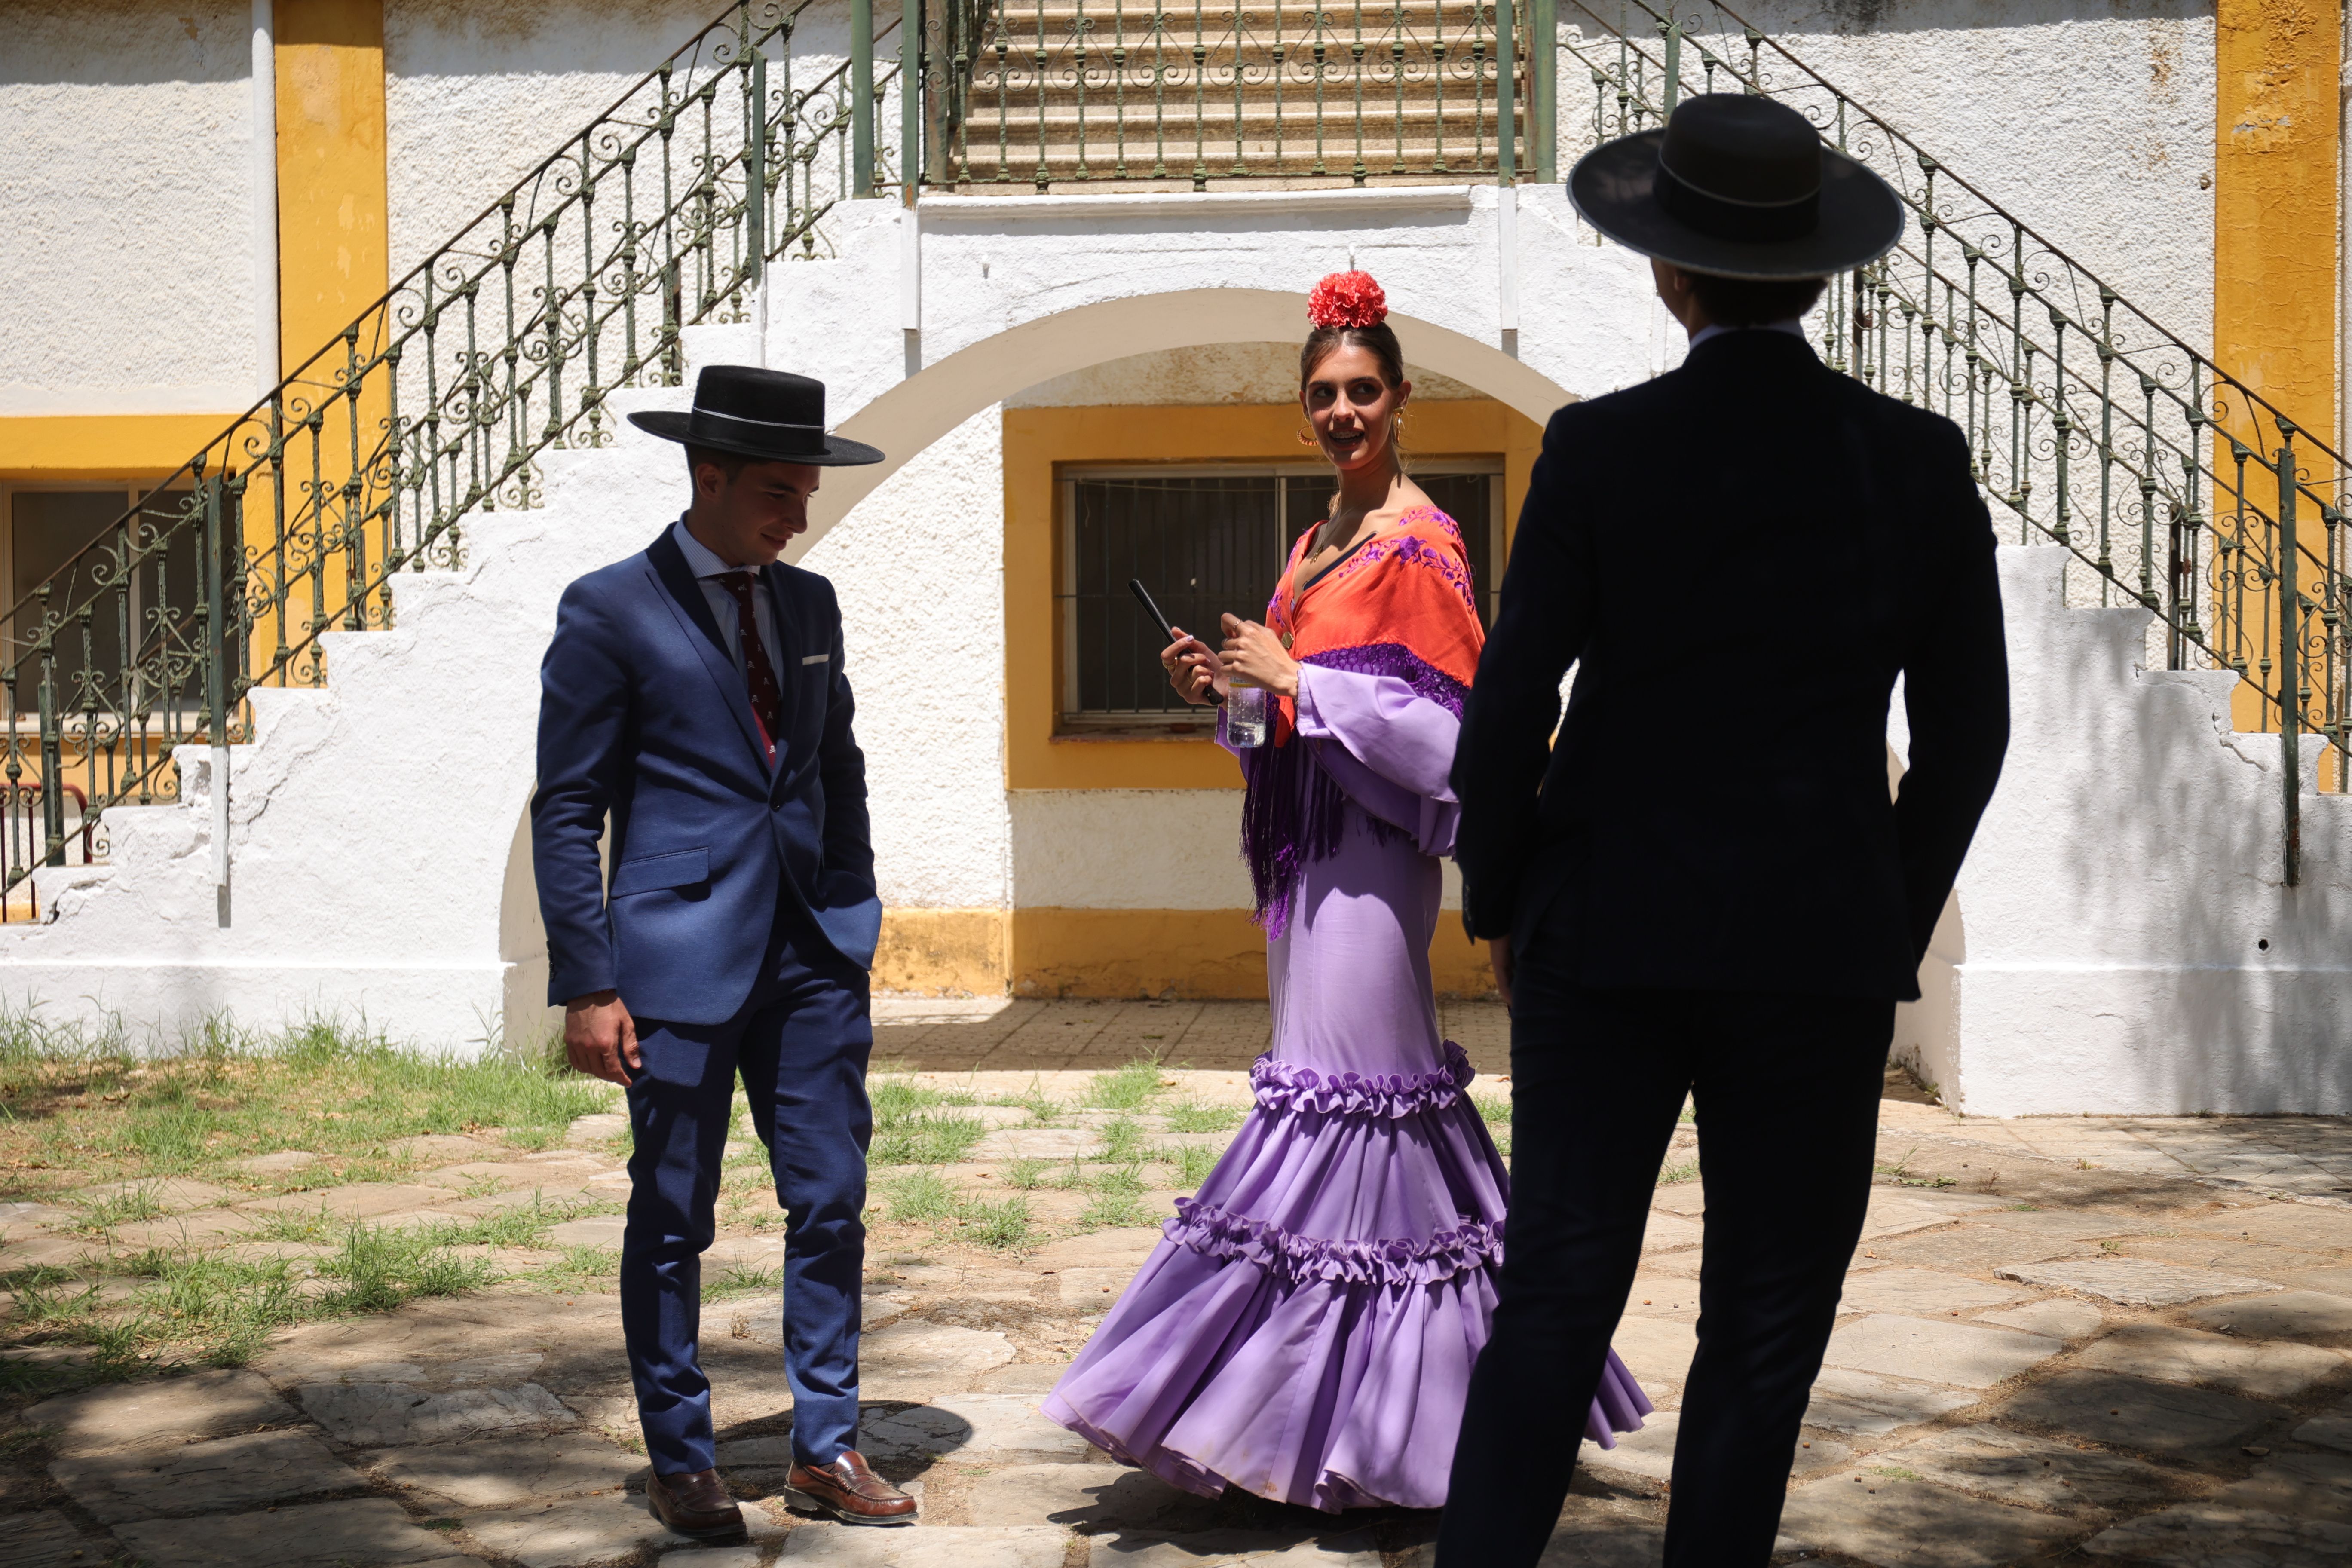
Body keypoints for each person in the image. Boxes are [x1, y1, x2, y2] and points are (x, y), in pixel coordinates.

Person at [1437, 95, 2012, 1566]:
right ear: (1815, 276)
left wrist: (1502, 900)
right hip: (1814, 946)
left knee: (1556, 1299)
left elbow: (1507, 713)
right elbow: (1970, 738)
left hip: (1607, 932)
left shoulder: (1597, 448)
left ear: (1666, 273)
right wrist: (1881, 903)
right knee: (1765, 1331)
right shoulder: (1918, 460)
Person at [1042, 272, 1651, 1511]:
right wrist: (1226, 690)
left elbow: (1457, 737)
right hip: (1302, 867)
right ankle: (1395, 1418)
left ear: (1403, 400)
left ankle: (1373, 1428)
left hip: (1372, 874)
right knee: (1364, 1129)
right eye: (1322, 393)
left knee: (1349, 1117)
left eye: (1362, 391)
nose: (1341, 412)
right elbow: (1287, 729)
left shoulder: (1423, 550)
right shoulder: (1317, 542)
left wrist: (1306, 688)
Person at [531, 365, 919, 1535]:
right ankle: (681, 1452)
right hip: (675, 964)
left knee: (833, 1199)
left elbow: (834, 768)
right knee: (672, 1214)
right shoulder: (608, 610)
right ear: (708, 475)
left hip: (809, 956)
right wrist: (590, 981)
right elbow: (569, 805)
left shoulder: (809, 609)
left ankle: (825, 1445)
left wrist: (851, 908)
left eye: (806, 492)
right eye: (779, 492)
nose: (798, 515)